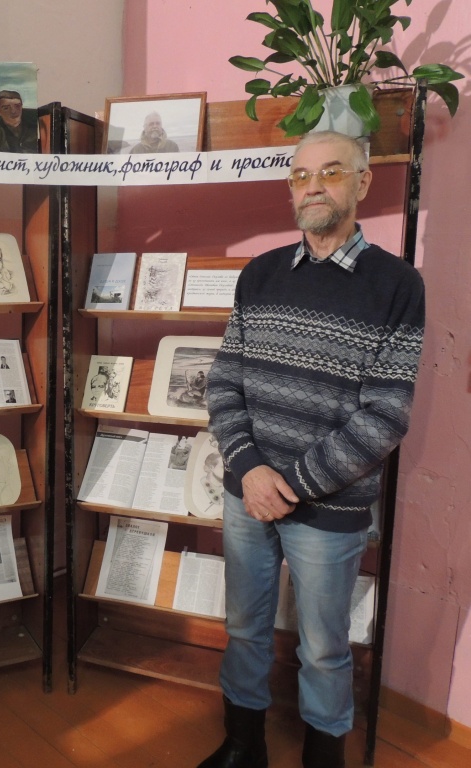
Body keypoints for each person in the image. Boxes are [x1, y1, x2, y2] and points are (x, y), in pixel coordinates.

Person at [199, 131, 425, 768]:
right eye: (300, 176)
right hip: (247, 495)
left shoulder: (398, 285)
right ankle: (243, 746)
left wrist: (289, 485)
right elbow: (223, 382)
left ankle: (323, 759)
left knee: (324, 647)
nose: (313, 186)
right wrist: (251, 471)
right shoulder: (260, 273)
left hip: (328, 507)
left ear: (362, 182)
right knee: (243, 627)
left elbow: (387, 414)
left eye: (330, 172)